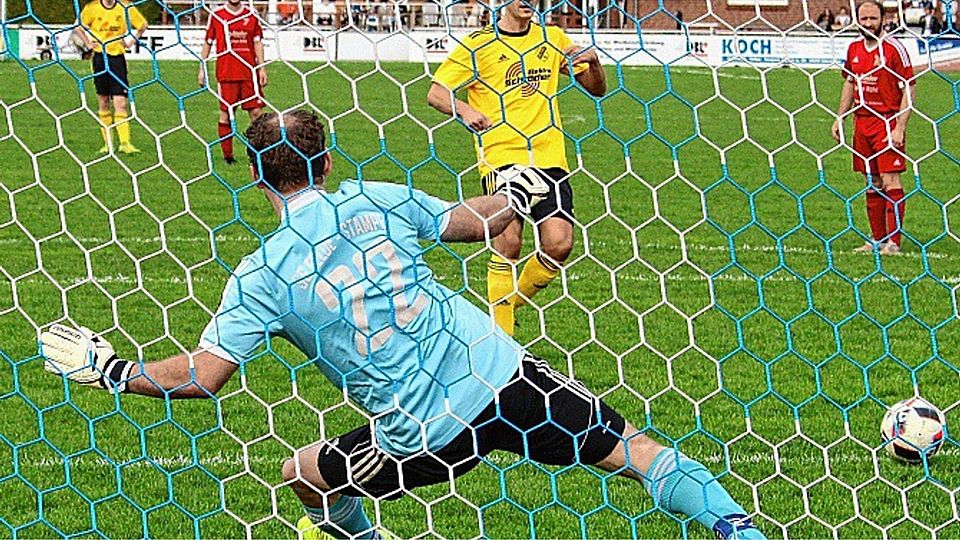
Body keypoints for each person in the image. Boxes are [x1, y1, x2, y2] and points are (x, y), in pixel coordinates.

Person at [41, 109, 764, 540]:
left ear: (257, 176)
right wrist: (516, 197)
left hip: (424, 434)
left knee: (305, 476)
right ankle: (736, 526)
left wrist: (111, 372)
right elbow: (468, 222)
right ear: (326, 161)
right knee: (634, 451)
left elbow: (203, 377)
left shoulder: (262, 273)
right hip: (500, 371)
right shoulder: (374, 198)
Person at [427, 0, 606, 336]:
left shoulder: (552, 38)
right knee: (508, 241)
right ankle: (502, 340)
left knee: (559, 244)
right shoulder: (478, 45)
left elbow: (597, 89)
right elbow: (436, 93)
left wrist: (594, 62)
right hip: (501, 154)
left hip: (549, 155)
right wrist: (464, 111)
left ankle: (508, 303)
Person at [832, 0, 915, 255]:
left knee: (891, 179)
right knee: (872, 181)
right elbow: (849, 83)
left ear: (883, 19)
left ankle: (894, 243)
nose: (868, 24)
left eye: (873, 19)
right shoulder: (854, 48)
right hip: (862, 122)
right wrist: (840, 117)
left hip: (887, 120)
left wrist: (900, 127)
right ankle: (877, 239)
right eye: (864, 19)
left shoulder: (893, 49)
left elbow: (909, 88)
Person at [74, 0, 149, 155]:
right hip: (100, 58)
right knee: (103, 101)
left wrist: (129, 42)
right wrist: (88, 44)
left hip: (117, 59)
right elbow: (78, 27)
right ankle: (108, 144)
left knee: (120, 102)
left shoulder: (125, 6)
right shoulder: (92, 8)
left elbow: (142, 25)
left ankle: (125, 143)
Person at [198, 0, 268, 164]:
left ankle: (260, 154)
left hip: (249, 72)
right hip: (226, 72)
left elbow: (257, 42)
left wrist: (262, 68)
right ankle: (228, 156)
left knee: (257, 113)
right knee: (227, 114)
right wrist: (202, 68)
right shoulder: (217, 15)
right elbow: (208, 42)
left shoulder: (251, 15)